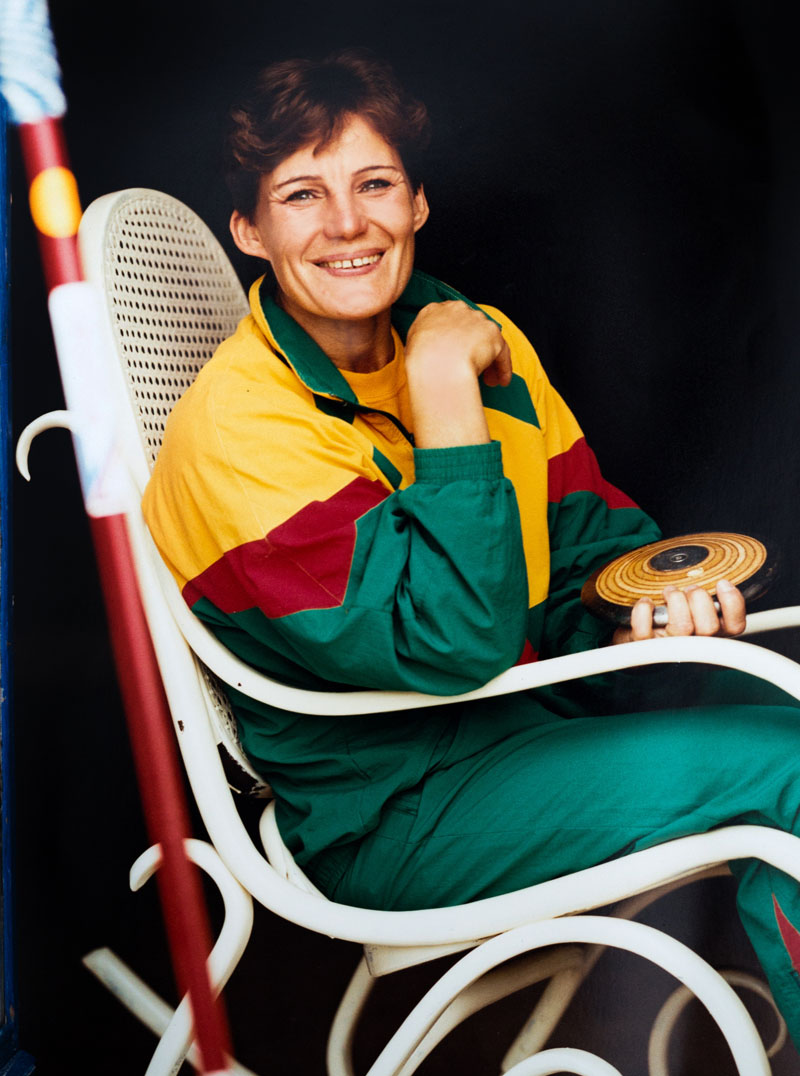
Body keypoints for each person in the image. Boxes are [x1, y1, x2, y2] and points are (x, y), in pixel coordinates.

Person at [142, 49, 800, 1046]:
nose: (347, 223)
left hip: (530, 728)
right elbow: (454, 643)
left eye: (374, 184)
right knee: (788, 768)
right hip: (399, 810)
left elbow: (588, 545)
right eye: (302, 195)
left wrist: (639, 612)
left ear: (417, 203)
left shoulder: (472, 334)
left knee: (777, 715)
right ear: (250, 229)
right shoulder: (240, 429)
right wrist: (446, 392)